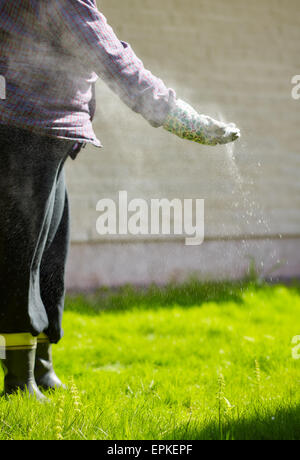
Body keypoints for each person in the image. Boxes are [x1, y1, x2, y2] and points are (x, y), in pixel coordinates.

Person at [0, 0, 240, 399]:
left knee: (50, 259)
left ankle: (41, 367)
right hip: (27, 130)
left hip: (51, 133)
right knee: (21, 258)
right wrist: (184, 120)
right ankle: (19, 380)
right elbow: (113, 58)